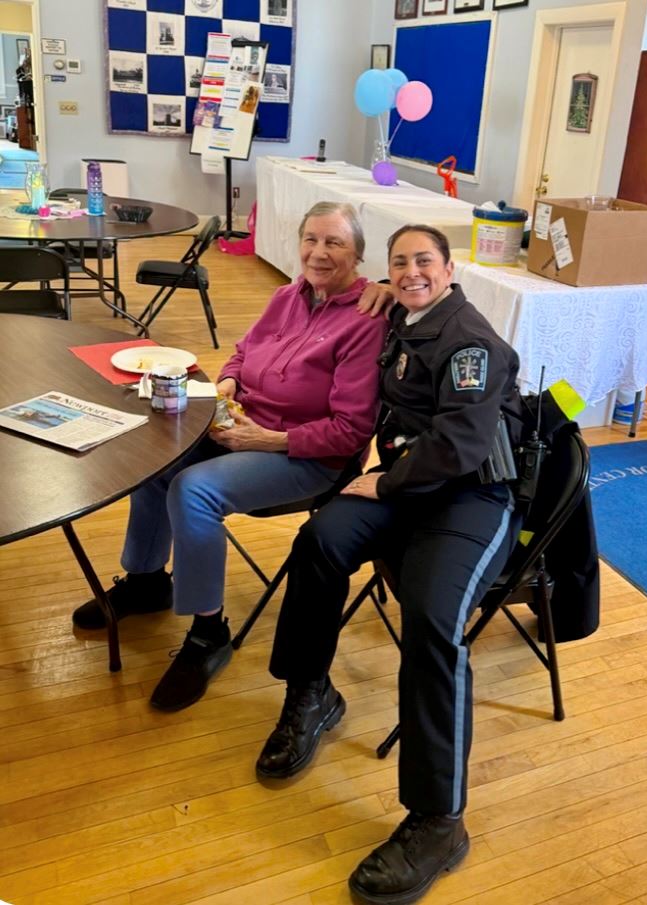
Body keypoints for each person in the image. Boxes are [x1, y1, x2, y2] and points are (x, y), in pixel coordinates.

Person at [257, 225, 522, 904]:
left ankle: (440, 821)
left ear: (450, 267)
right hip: (405, 482)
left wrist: (383, 481)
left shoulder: (470, 340)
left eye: (423, 261)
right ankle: (312, 693)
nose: (410, 272)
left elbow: (461, 445)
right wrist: (382, 291)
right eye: (398, 262)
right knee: (318, 542)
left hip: (469, 497)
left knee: (433, 620)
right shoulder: (403, 312)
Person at [72, 201, 390, 712]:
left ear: (358, 254)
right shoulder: (288, 295)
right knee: (155, 455)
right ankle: (148, 580)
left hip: (309, 455)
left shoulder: (367, 319)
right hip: (239, 423)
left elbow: (351, 430)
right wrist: (225, 387)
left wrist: (266, 438)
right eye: (311, 239)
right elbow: (243, 351)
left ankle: (208, 632)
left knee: (193, 489)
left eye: (334, 243)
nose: (319, 252)